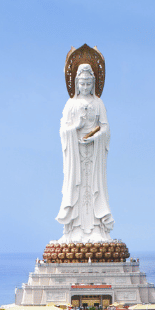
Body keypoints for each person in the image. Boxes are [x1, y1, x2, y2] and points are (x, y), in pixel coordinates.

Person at [56, 63, 114, 242]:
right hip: (76, 154)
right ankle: (74, 229)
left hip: (94, 154)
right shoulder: (70, 104)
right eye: (82, 84)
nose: (85, 87)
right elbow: (63, 130)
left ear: (94, 83)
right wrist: (76, 128)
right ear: (76, 84)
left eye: (88, 84)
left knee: (94, 187)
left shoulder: (98, 103)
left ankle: (97, 227)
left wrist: (96, 136)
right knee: (76, 187)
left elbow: (105, 128)